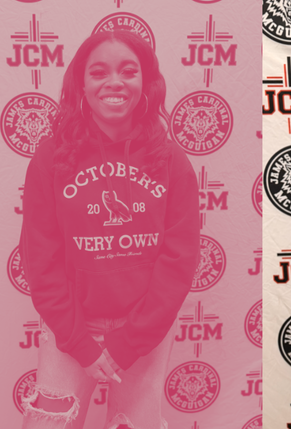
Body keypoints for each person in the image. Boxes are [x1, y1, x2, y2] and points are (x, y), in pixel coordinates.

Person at [19, 30, 200, 429]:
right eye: (99, 72)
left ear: (145, 82)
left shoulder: (170, 160)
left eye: (128, 71)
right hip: (70, 326)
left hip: (144, 330)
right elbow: (41, 260)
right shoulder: (51, 157)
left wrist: (129, 342)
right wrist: (80, 344)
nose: (114, 82)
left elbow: (179, 262)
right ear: (81, 84)